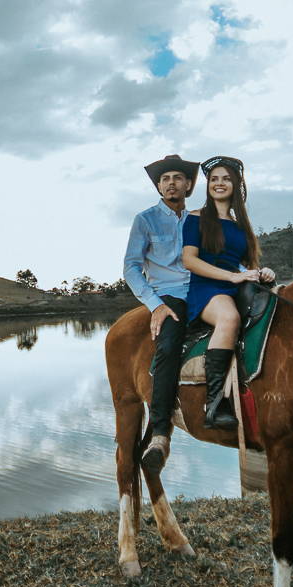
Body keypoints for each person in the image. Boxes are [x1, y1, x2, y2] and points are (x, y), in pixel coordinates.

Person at [182, 156, 275, 430]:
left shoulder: (239, 224)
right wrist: (233, 276)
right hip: (207, 287)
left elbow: (248, 265)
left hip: (237, 285)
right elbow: (189, 261)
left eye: (225, 179)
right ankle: (214, 404)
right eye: (214, 179)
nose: (219, 183)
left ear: (235, 185)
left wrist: (262, 272)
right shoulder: (196, 218)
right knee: (229, 318)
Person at [123, 154, 201, 475]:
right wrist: (155, 304)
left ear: (188, 184)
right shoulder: (145, 220)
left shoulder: (199, 219)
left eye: (177, 178)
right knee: (168, 347)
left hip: (203, 291)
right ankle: (160, 434)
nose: (171, 183)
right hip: (169, 296)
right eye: (165, 179)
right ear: (159, 186)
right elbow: (130, 268)